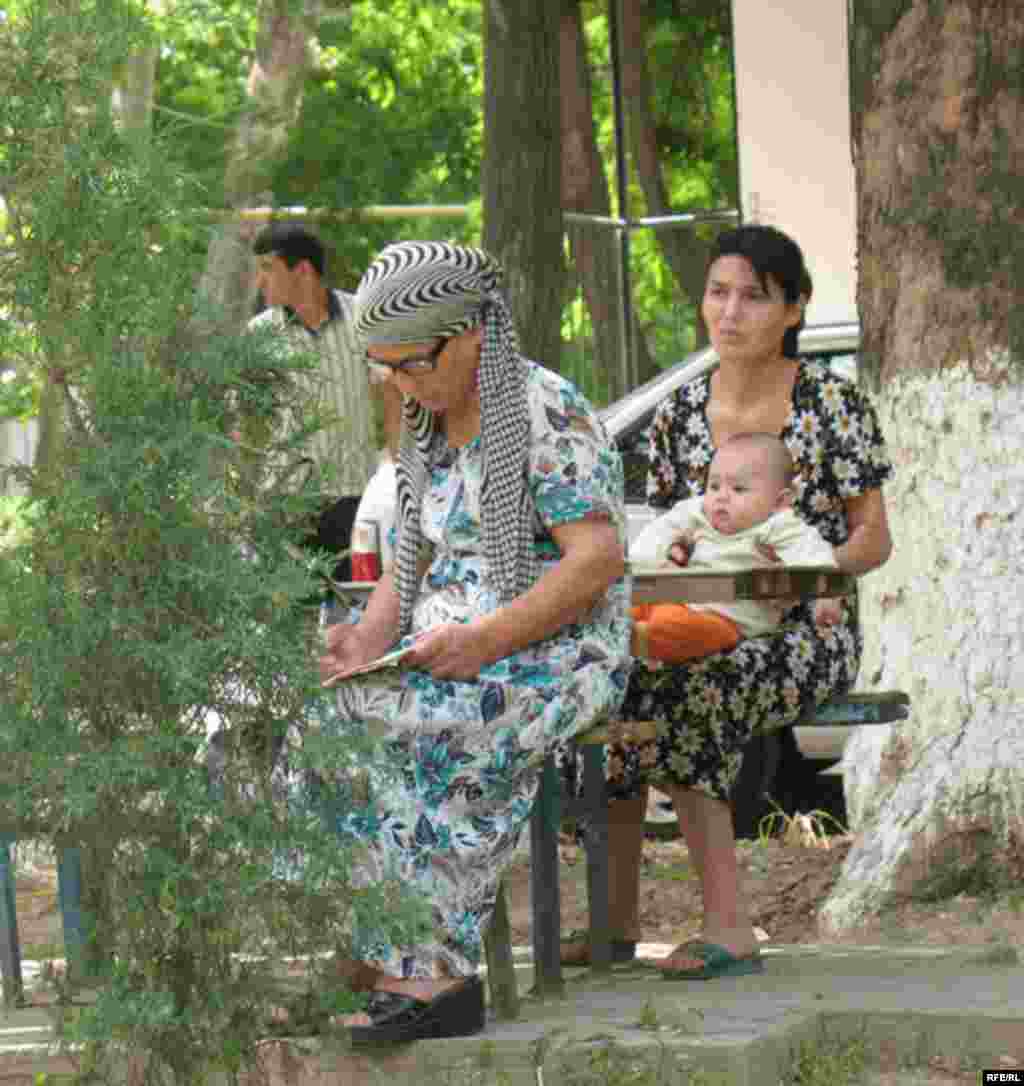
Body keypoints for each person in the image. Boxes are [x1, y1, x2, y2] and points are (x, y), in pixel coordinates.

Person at [313, 241, 632, 1043]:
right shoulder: (424, 420)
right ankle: (367, 953)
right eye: (384, 368)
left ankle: (436, 975)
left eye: (411, 363)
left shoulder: (545, 410)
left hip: (558, 652)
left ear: (470, 335)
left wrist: (485, 641)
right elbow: (413, 559)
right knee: (315, 728)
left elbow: (595, 561)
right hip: (450, 647)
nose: (398, 384)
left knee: (428, 727)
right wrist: (366, 640)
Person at [561, 223, 893, 979]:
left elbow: (874, 540)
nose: (730, 310)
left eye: (754, 295)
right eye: (718, 292)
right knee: (618, 680)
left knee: (693, 688)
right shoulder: (678, 415)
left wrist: (807, 576)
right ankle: (614, 924)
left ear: (794, 309)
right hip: (698, 617)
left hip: (808, 631)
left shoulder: (832, 406)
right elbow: (677, 534)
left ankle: (729, 927)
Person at [249, 222, 402, 581]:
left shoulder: (363, 320)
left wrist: (395, 474)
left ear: (302, 270)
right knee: (288, 615)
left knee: (359, 605)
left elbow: (393, 393)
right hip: (285, 505)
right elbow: (245, 422)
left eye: (268, 268)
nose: (260, 281)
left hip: (356, 501)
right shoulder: (257, 336)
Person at [630, 432, 841, 663]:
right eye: (713, 486)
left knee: (679, 628)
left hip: (727, 618)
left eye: (738, 489)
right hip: (677, 596)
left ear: (779, 502)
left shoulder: (776, 526)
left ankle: (639, 638)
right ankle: (617, 629)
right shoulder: (697, 512)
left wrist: (827, 592)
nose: (722, 497)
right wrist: (645, 565)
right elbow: (660, 531)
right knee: (632, 602)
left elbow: (810, 551)